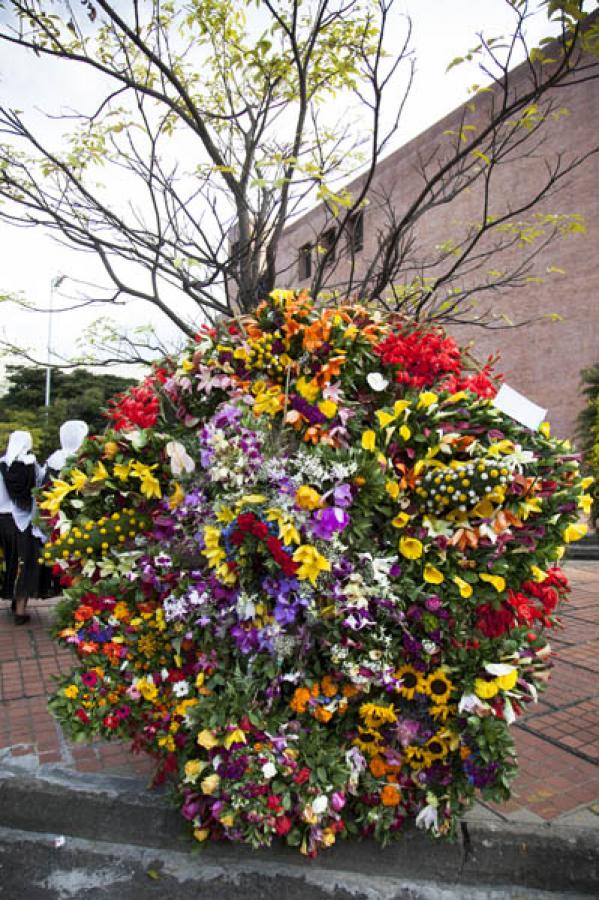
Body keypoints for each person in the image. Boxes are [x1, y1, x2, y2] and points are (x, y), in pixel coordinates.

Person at [39, 419, 89, 600]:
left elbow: (44, 491)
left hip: (55, 518)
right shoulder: (79, 460)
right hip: (74, 519)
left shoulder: (53, 459)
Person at [0, 431, 45, 625]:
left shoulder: (1, 463)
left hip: (2, 520)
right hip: (23, 521)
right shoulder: (32, 465)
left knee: (7, 562)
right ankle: (19, 609)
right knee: (24, 563)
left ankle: (10, 594)